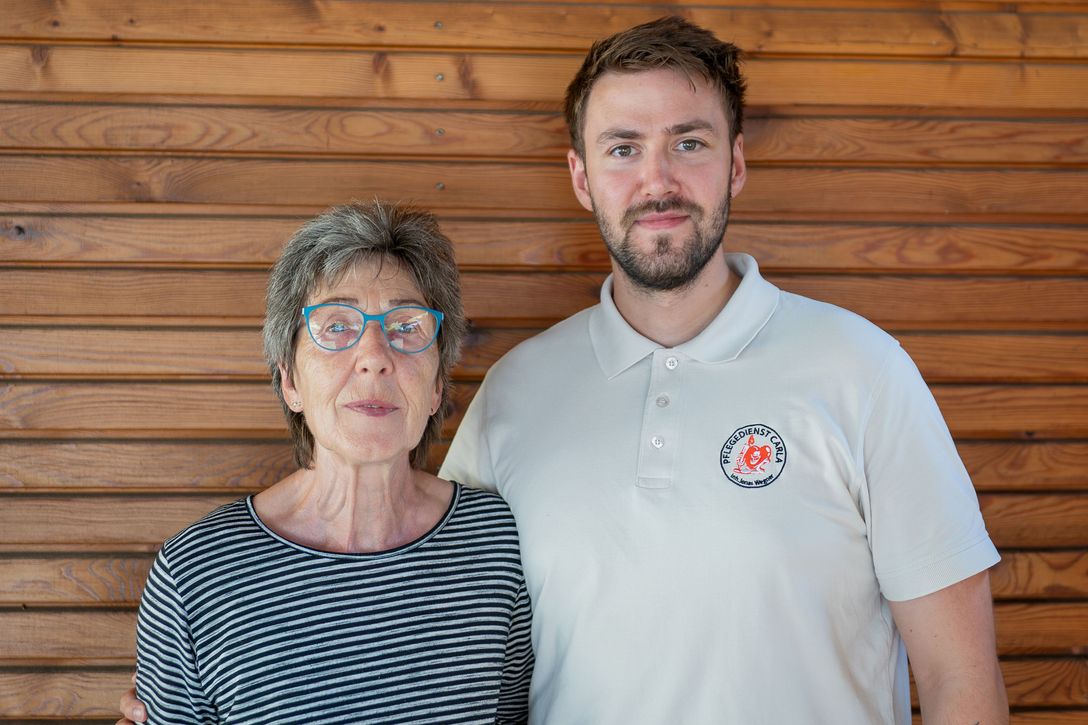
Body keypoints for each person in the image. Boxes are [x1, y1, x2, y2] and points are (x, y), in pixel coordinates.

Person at [122, 15, 1007, 725]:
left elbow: (962, 682)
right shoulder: (516, 390)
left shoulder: (863, 371)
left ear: (735, 161)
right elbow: (416, 571)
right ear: (582, 177)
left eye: (689, 143)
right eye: (624, 147)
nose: (657, 178)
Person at [129, 201, 532, 723]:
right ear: (290, 379)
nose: (374, 355)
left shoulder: (497, 545)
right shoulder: (196, 575)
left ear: (436, 387)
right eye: (336, 326)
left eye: (407, 326)